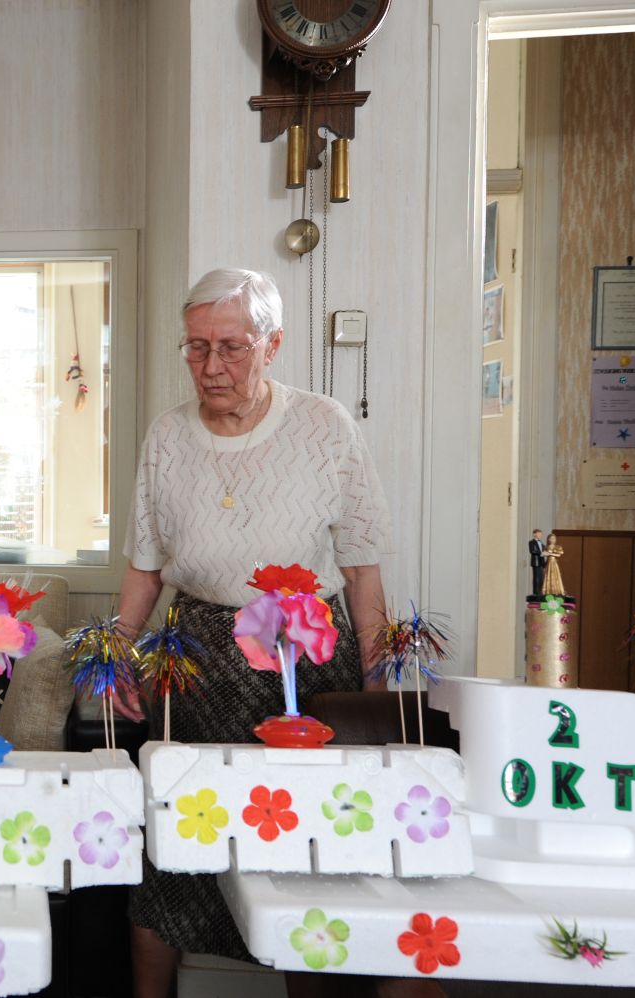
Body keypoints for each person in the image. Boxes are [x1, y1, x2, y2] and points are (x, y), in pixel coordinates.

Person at [114, 267, 389, 997]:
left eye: (231, 347)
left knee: (304, 858)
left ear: (273, 345)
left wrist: (378, 691)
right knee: (173, 851)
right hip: (196, 665)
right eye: (196, 347)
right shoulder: (167, 436)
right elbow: (146, 566)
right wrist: (113, 657)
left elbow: (362, 570)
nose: (211, 366)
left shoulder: (325, 426)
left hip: (308, 661)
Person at [542, 532, 566, 597]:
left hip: (554, 563)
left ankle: (556, 591)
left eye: (554, 538)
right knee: (548, 575)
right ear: (548, 539)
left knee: (555, 575)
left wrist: (550, 554)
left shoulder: (557, 547)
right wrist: (545, 554)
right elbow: (543, 554)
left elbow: (559, 555)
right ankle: (547, 590)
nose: (553, 540)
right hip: (548, 563)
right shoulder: (546, 547)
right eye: (551, 538)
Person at [529, 529, 547, 596]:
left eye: (541, 534)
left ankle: (540, 592)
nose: (540, 535)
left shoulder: (541, 543)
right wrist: (541, 553)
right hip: (536, 562)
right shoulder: (531, 542)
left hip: (541, 562)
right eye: (539, 534)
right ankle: (536, 593)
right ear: (534, 534)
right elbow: (532, 551)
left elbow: (544, 550)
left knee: (541, 578)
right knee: (536, 578)